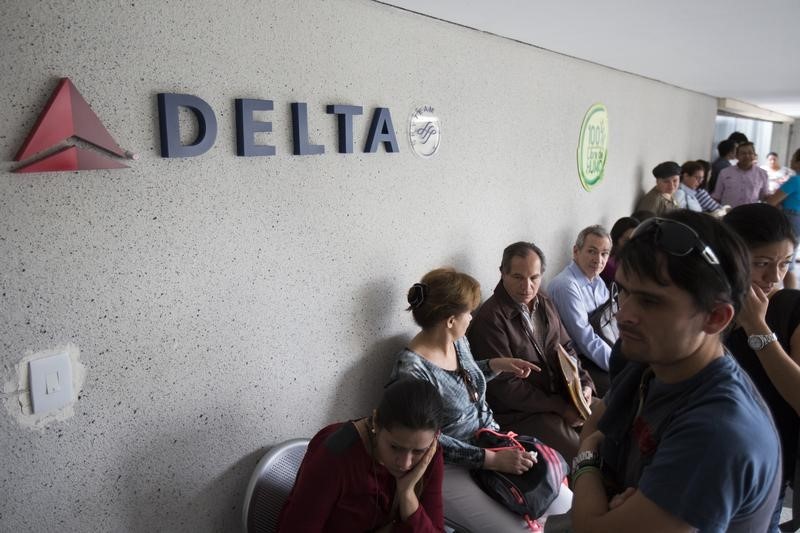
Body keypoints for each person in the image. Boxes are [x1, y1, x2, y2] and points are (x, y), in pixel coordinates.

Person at [570, 211, 781, 533]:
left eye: (651, 302)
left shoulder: (718, 431)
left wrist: (586, 462)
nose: (624, 315)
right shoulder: (646, 358)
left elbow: (589, 523)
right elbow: (593, 429)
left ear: (715, 318)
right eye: (623, 291)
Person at [390, 267, 572, 531]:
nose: (472, 317)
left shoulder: (456, 341)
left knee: (567, 507)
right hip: (447, 466)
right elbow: (426, 441)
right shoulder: (411, 372)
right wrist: (491, 459)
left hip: (491, 442)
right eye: (469, 312)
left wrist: (496, 365)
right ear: (450, 320)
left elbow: (462, 383)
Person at [466, 243, 596, 463]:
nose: (527, 286)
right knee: (581, 455)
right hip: (519, 412)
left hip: (561, 396)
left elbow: (567, 347)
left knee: (611, 418)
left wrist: (585, 384)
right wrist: (561, 408)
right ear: (502, 273)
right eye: (518, 277)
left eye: (534, 278)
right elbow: (505, 388)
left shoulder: (543, 301)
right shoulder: (490, 320)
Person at [277, 378, 445, 532]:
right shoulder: (336, 455)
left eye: (417, 451)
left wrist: (407, 495)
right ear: (376, 423)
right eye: (395, 447)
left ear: (435, 437)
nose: (405, 463)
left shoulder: (430, 454)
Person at [723, 203, 800, 529]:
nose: (775, 276)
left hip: (765, 469)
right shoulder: (705, 304)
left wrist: (757, 328)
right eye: (762, 264)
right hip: (705, 454)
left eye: (785, 263)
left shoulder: (790, 309)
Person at [548, 226, 615, 395]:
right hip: (579, 361)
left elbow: (612, 320)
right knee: (623, 390)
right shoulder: (566, 285)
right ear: (576, 251)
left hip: (603, 348)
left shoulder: (597, 280)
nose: (598, 259)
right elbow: (585, 339)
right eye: (592, 251)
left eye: (604, 253)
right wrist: (619, 363)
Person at [766, 148, 800, 290]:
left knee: (782, 260)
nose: (791, 161)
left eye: (793, 158)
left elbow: (772, 201)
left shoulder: (795, 180)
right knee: (789, 258)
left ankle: (788, 299)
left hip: (790, 218)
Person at [712, 141, 769, 207]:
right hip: (729, 214)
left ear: (754, 155)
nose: (747, 156)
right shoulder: (724, 172)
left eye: (750, 153)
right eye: (743, 153)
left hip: (751, 214)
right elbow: (717, 196)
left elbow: (764, 197)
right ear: (737, 156)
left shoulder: (762, 174)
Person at [600, 217, 640, 287]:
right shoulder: (606, 265)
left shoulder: (636, 261)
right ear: (616, 239)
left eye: (635, 240)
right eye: (627, 241)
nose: (632, 245)